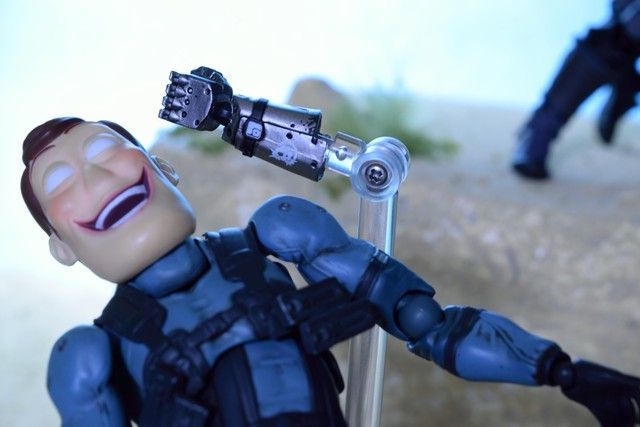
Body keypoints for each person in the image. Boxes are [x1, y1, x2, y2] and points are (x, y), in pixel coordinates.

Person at [22, 117, 640, 426]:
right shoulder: (90, 358)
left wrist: (563, 372)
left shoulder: (279, 233)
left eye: (104, 151)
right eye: (62, 181)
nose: (97, 177)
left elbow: (429, 323)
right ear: (61, 246)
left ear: (162, 168)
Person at [512, 0, 640, 179]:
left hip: (623, 52)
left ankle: (621, 97)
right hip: (608, 47)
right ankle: (536, 137)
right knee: (605, 50)